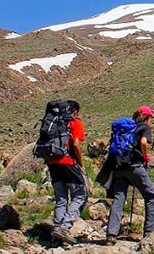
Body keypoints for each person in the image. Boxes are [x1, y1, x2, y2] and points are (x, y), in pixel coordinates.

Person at [106, 106, 154, 245]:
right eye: (150, 118)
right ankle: (149, 231)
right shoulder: (144, 128)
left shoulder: (126, 127)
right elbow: (143, 142)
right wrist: (146, 156)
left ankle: (111, 234)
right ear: (146, 117)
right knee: (151, 195)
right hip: (135, 166)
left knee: (119, 198)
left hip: (119, 167)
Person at [48, 100, 87, 245]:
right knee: (80, 195)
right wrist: (81, 163)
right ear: (75, 111)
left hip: (53, 163)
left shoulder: (54, 122)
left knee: (61, 198)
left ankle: (56, 232)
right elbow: (76, 144)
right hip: (69, 162)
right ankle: (64, 228)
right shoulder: (74, 122)